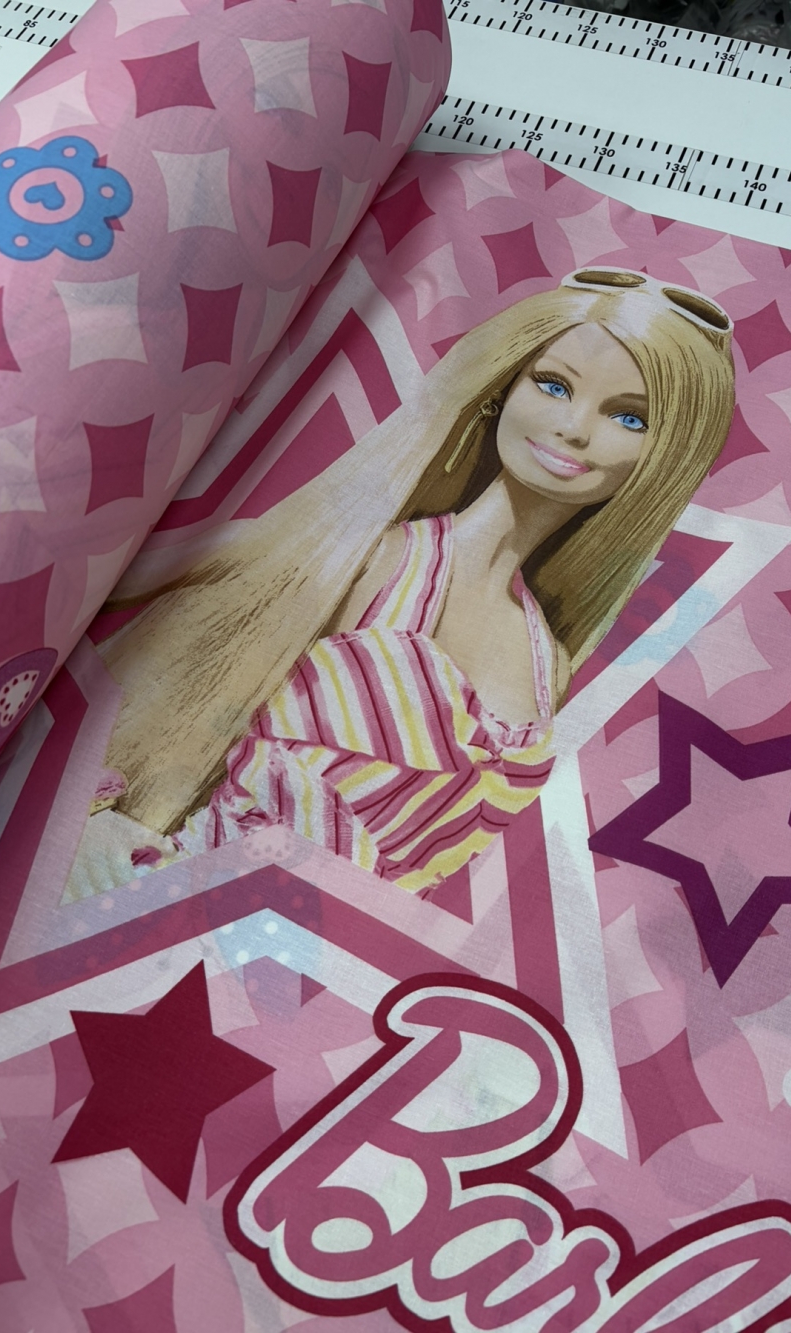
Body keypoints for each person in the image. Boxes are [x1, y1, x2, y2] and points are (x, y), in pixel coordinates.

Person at [77, 268, 736, 895]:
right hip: (177, 895)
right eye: (553, 385)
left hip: (328, 954)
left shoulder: (550, 664)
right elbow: (92, 591)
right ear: (503, 387)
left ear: (664, 459)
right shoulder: (365, 558)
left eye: (629, 418)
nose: (573, 427)